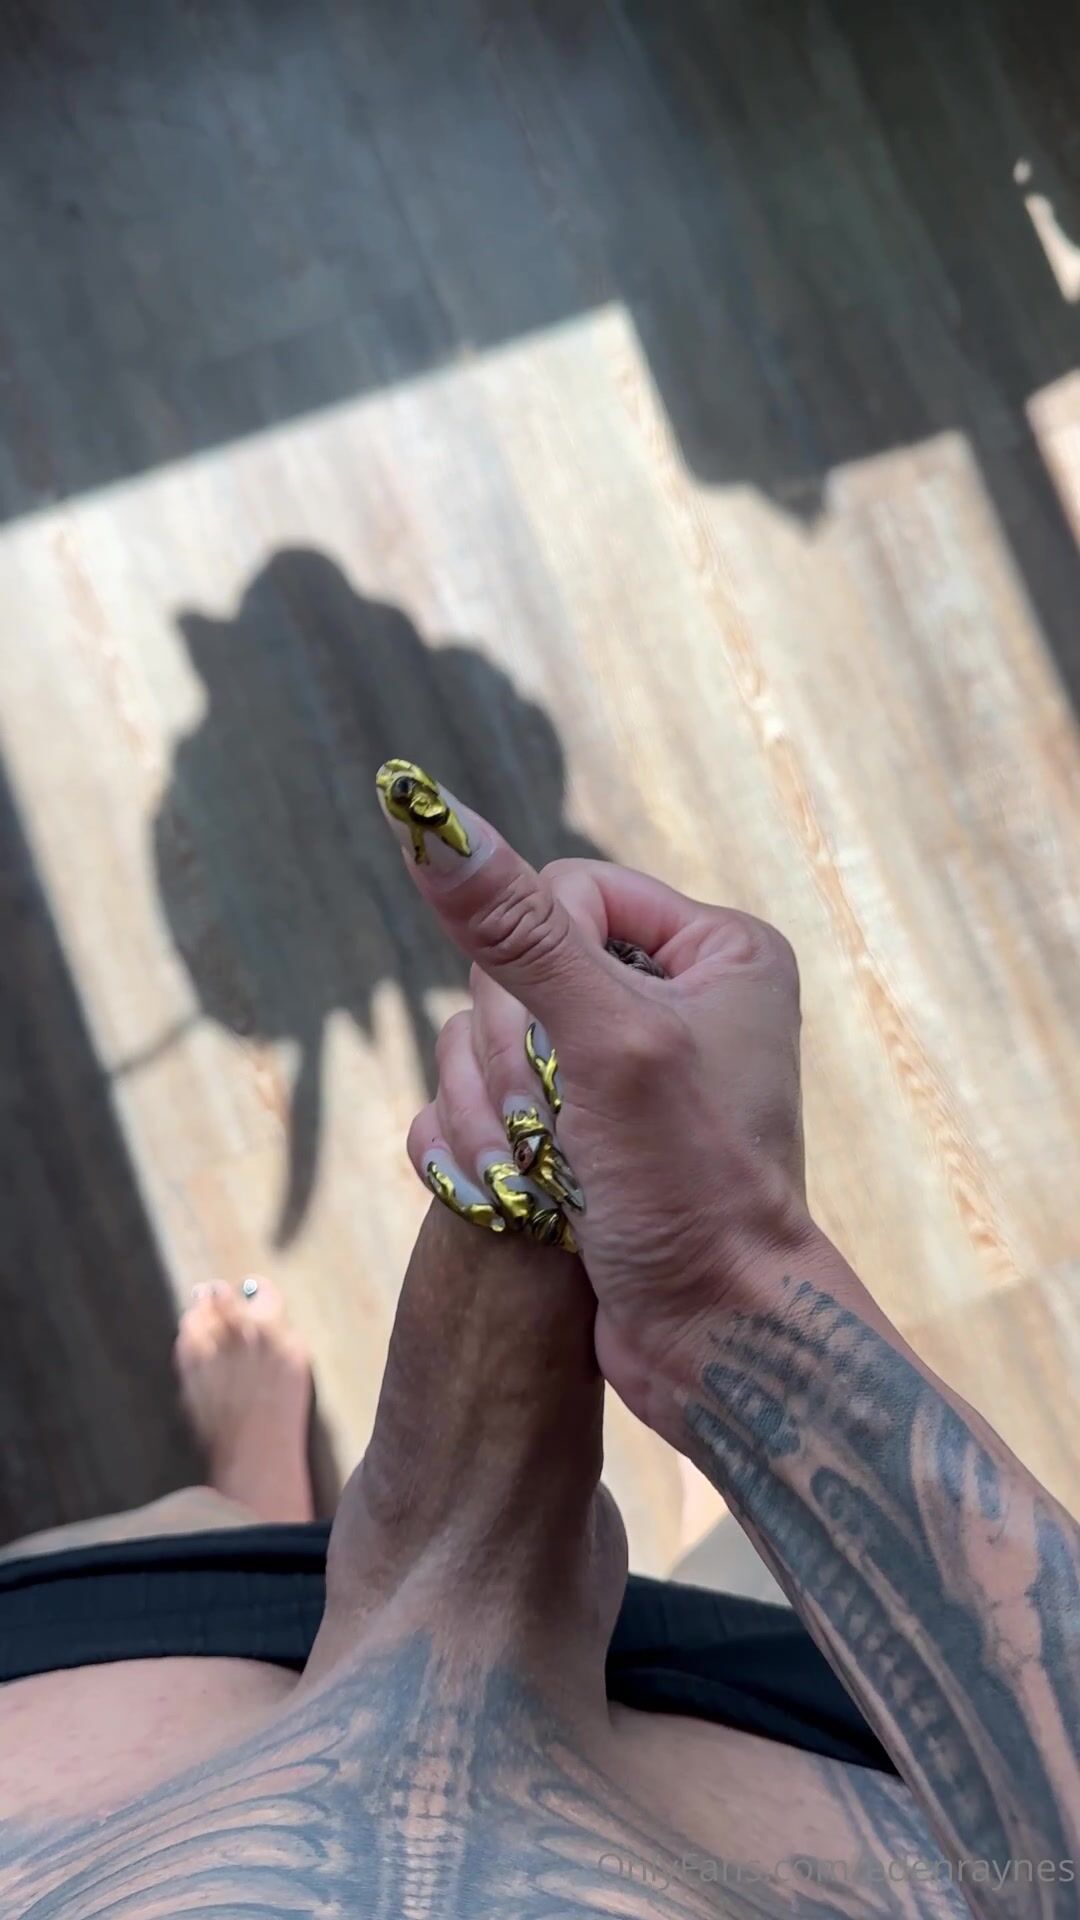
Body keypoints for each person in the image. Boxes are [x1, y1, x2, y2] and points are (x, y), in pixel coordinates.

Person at [0, 763, 1076, 1920]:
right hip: (859, 1813)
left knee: (199, 1531)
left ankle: (258, 1491)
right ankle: (687, 1464)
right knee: (741, 1568)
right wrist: (736, 1297)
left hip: (101, 1730)